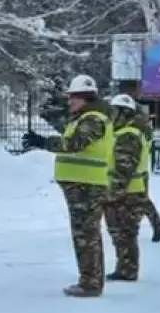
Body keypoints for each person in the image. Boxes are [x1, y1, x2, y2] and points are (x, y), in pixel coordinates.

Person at [23, 74, 113, 297]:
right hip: (82, 184)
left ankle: (90, 283)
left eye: (74, 97)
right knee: (86, 233)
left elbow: (75, 144)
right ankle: (91, 279)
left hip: (87, 185)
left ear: (86, 98)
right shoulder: (86, 118)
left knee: (86, 235)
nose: (70, 101)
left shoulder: (93, 119)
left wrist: (44, 142)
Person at [104, 94, 151, 281]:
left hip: (126, 193)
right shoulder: (127, 132)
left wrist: (112, 193)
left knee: (124, 233)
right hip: (131, 191)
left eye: (115, 112)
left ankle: (127, 270)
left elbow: (124, 168)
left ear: (125, 113)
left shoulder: (128, 135)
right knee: (124, 233)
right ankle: (125, 267)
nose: (111, 116)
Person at [135, 107, 160, 242]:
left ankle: (156, 224)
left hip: (135, 170)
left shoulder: (136, 131)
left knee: (140, 200)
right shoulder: (145, 130)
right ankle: (156, 224)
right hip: (141, 169)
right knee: (141, 200)